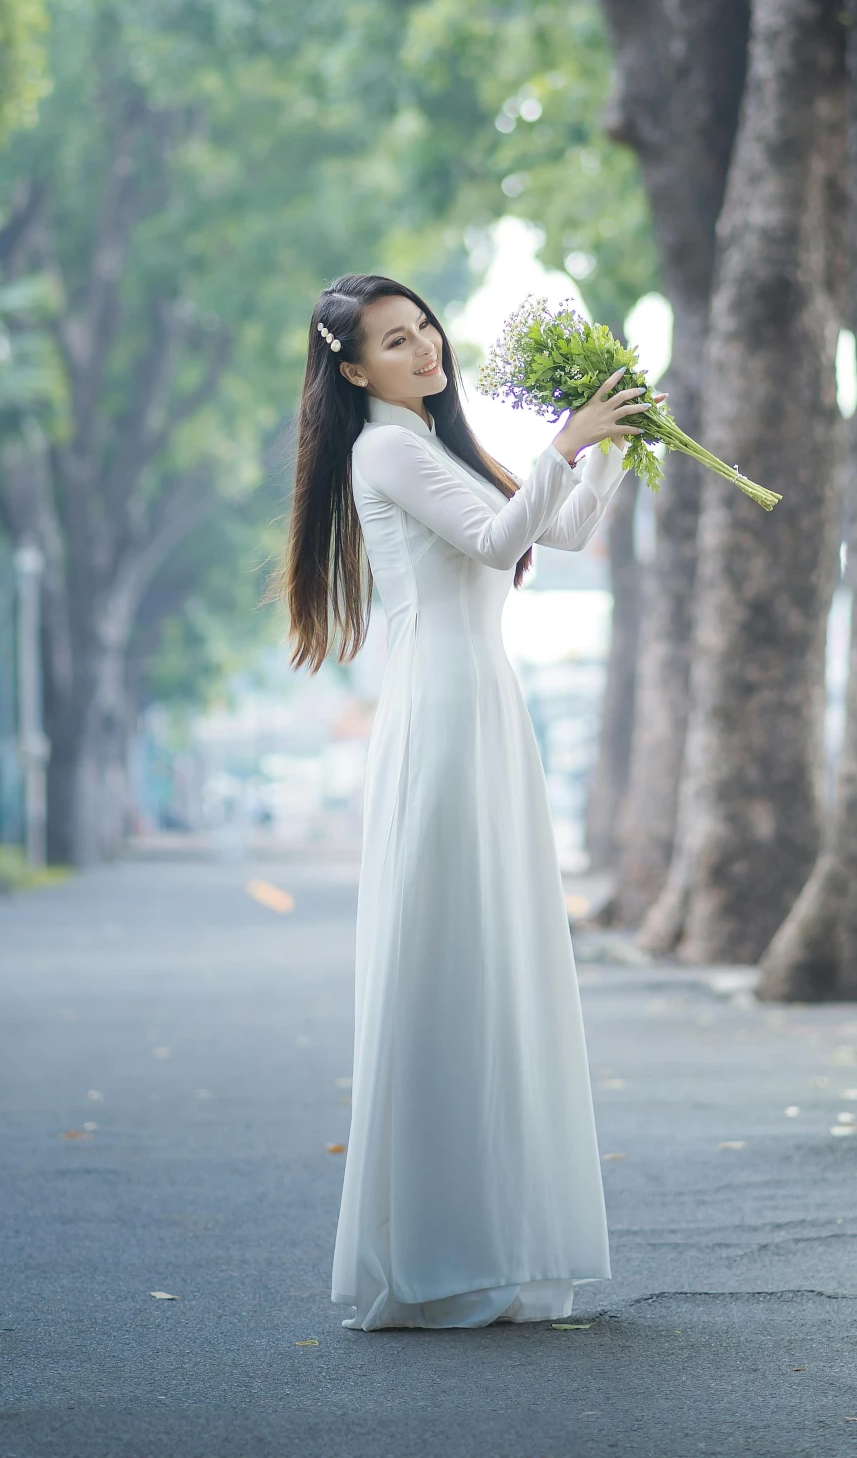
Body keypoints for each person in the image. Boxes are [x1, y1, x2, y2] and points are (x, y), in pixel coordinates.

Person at [280, 272, 645, 1331]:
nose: (426, 347)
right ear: (353, 370)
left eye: (425, 326)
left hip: (485, 706)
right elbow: (495, 543)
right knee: (449, 961)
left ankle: (501, 1245)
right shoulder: (386, 449)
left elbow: (558, 533)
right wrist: (568, 440)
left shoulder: (438, 447)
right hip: (441, 711)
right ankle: (441, 1254)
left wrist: (619, 436)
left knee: (495, 961)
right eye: (396, 341)